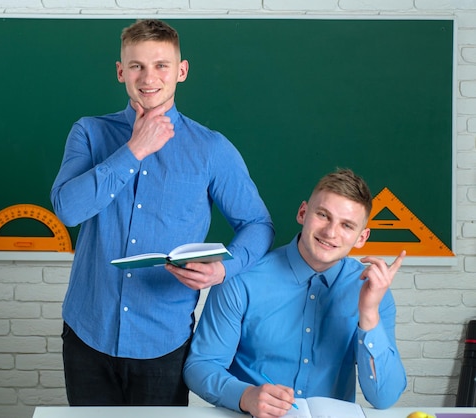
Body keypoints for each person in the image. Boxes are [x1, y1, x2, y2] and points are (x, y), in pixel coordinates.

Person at [50, 19, 274, 406]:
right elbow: (68, 210)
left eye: (161, 65)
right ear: (121, 71)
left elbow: (258, 224)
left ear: (181, 71)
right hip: (87, 335)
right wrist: (134, 150)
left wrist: (223, 269)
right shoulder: (89, 133)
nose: (148, 77)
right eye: (136, 65)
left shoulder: (212, 149)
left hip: (164, 341)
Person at [183, 168, 407, 417]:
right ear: (303, 213)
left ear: (361, 237)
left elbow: (384, 397)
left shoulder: (373, 292)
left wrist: (369, 313)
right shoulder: (240, 280)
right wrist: (245, 396)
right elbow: (201, 366)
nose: (330, 233)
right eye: (323, 215)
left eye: (346, 225)